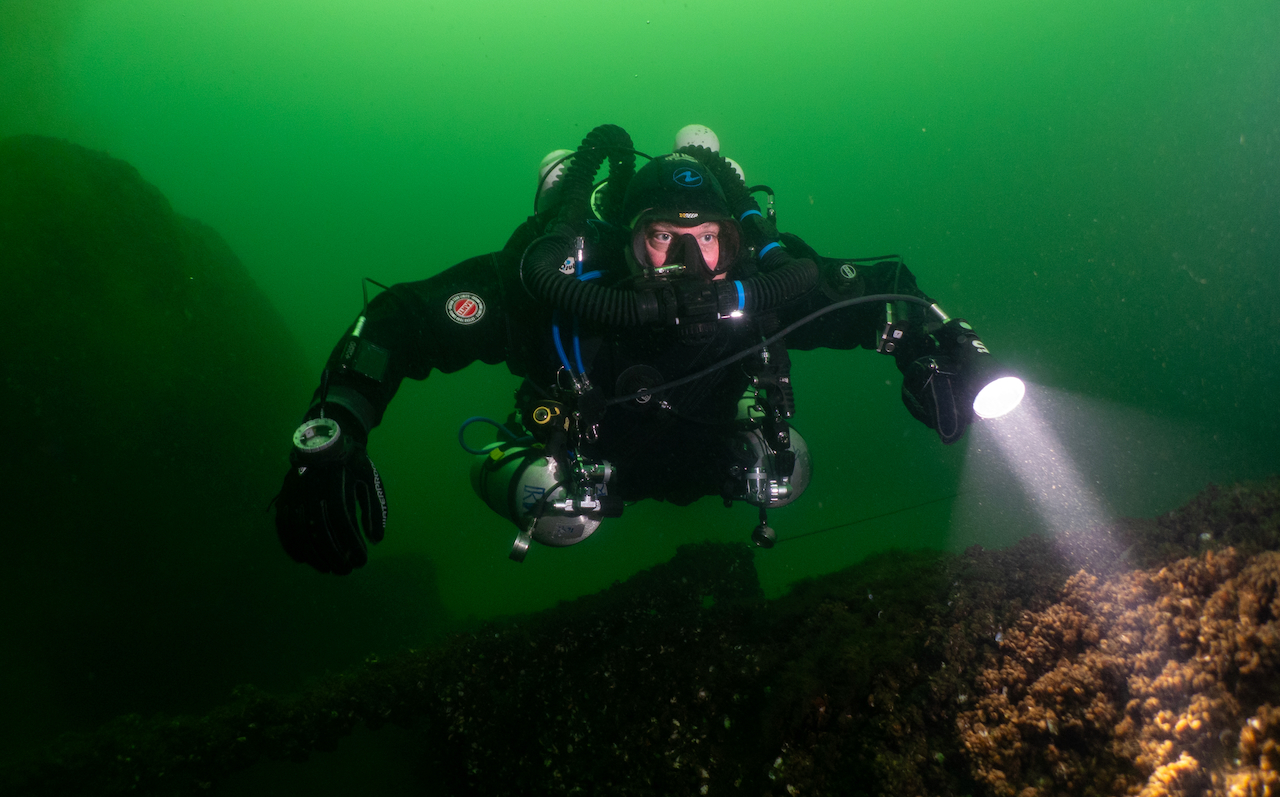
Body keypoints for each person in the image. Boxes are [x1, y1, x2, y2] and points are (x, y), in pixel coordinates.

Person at [273, 124, 1019, 573]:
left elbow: (887, 291)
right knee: (555, 514)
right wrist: (336, 423)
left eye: (709, 240)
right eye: (664, 238)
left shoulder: (772, 285)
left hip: (727, 456)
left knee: (785, 473)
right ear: (625, 242)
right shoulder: (552, 293)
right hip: (576, 476)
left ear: (737, 240)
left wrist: (937, 348)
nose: (689, 264)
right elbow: (405, 318)